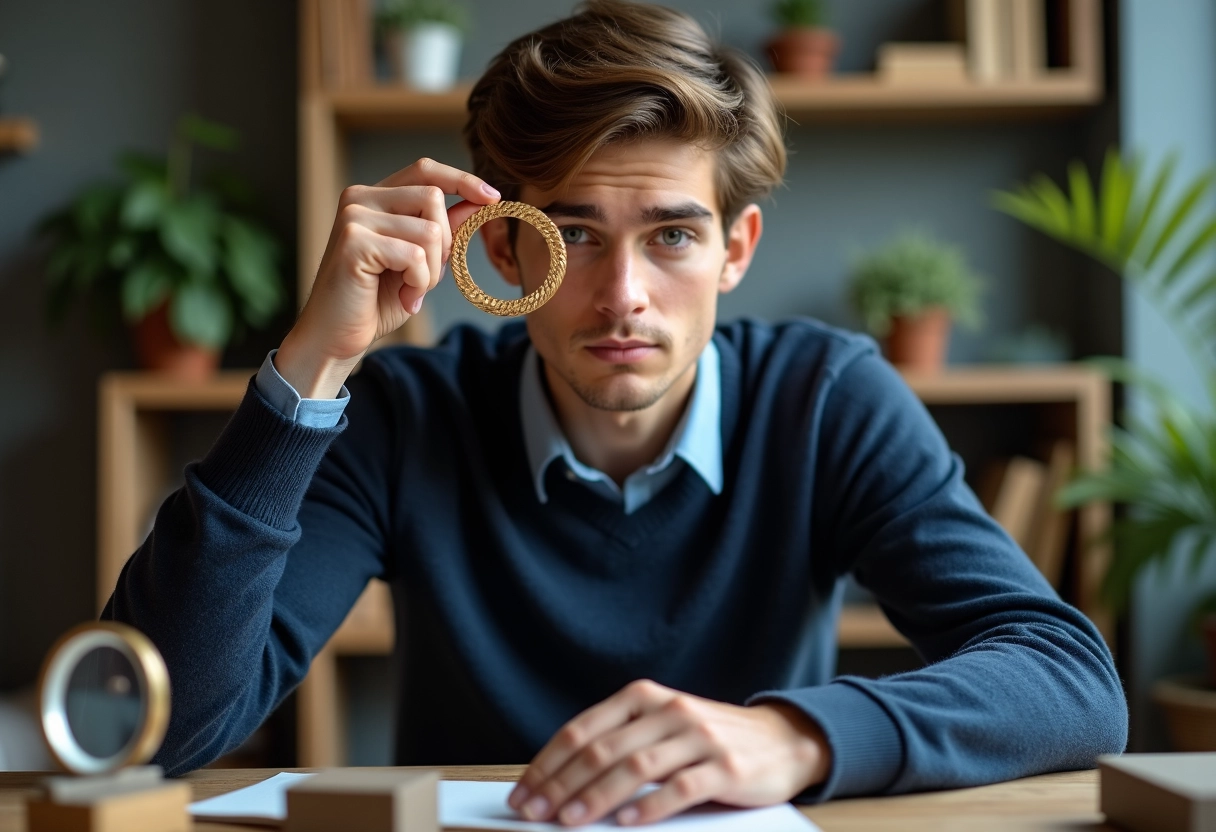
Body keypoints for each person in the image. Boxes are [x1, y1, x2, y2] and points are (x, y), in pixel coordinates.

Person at [104, 0, 1127, 826]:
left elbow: (1069, 680)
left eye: (672, 236)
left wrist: (795, 737)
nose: (624, 297)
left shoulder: (825, 400)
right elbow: (158, 729)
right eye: (577, 237)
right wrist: (311, 365)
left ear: (735, 249)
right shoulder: (407, 415)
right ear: (503, 250)